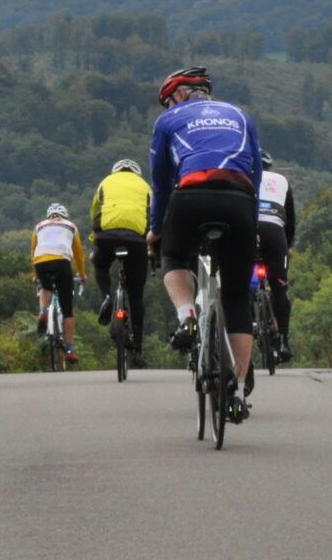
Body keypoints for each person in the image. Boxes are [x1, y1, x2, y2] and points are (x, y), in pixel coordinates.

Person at [147, 65, 261, 417]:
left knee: (173, 255)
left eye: (169, 101)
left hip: (191, 197)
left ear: (179, 95)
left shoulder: (168, 121)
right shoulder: (241, 115)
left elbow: (161, 181)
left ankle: (187, 317)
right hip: (240, 201)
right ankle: (237, 391)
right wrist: (251, 220)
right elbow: (256, 171)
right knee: (237, 297)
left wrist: (156, 230)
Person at [90, 158, 152, 368]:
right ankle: (138, 350)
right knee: (136, 295)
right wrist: (153, 247)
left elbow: (94, 213)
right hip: (136, 239)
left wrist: (94, 243)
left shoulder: (105, 182)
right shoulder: (145, 186)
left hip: (106, 236)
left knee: (100, 266)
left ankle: (107, 297)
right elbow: (154, 216)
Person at [31, 202, 87, 365]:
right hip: (62, 262)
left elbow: (33, 250)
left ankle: (43, 311)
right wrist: (82, 274)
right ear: (65, 216)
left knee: (45, 286)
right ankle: (69, 349)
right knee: (67, 309)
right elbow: (78, 254)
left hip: (41, 261)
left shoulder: (39, 226)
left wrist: (35, 275)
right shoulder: (71, 226)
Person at [255, 148, 296, 362]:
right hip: (275, 231)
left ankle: (246, 325)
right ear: (269, 166)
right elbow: (290, 220)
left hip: (250, 228)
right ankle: (283, 342)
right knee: (280, 287)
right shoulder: (281, 180)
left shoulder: (243, 176)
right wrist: (288, 246)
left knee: (240, 285)